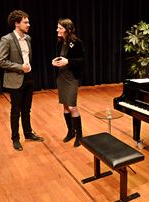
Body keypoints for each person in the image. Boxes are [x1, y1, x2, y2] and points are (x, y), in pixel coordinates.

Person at [0, 10, 43, 151]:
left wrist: (27, 69)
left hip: (28, 78)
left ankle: (28, 134)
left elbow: (28, 58)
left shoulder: (28, 38)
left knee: (27, 109)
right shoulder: (7, 39)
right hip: (15, 79)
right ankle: (15, 139)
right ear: (17, 24)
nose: (28, 24)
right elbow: (1, 61)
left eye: (28, 21)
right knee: (15, 111)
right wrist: (20, 67)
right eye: (25, 22)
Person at [52, 18, 84, 147]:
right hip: (61, 77)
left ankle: (79, 135)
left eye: (60, 28)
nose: (57, 30)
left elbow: (81, 60)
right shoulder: (60, 42)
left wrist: (68, 62)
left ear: (67, 29)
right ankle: (70, 132)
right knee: (65, 106)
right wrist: (55, 61)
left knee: (72, 106)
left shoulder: (76, 42)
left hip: (72, 78)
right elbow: (60, 57)